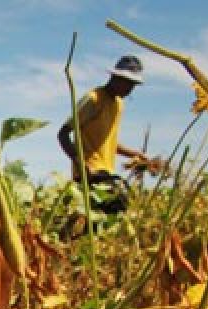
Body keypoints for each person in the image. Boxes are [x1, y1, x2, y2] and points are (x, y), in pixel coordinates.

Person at [57, 55, 152, 214]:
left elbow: (108, 141)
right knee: (119, 201)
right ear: (115, 77)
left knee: (112, 214)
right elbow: (63, 133)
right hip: (90, 173)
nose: (130, 89)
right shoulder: (93, 99)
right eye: (127, 83)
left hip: (107, 171)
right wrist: (80, 162)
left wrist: (134, 154)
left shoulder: (118, 104)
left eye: (133, 85)